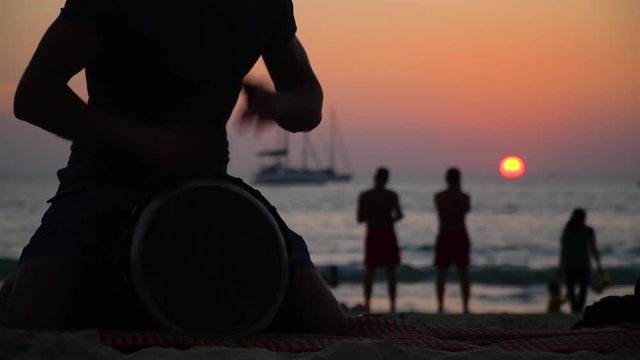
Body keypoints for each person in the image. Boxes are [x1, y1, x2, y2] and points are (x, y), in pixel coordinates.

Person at [0, 0, 346, 333]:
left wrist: (278, 103)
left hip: (208, 189)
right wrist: (147, 142)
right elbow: (34, 95)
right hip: (104, 182)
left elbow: (308, 99)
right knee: (31, 320)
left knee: (326, 322)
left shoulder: (263, 4)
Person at [357, 167, 403, 313]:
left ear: (374, 177)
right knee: (391, 271)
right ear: (387, 179)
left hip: (373, 234)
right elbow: (400, 215)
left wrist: (373, 216)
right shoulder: (392, 195)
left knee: (370, 270)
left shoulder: (365, 195)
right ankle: (392, 306)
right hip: (388, 234)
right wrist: (388, 219)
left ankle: (368, 304)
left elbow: (360, 218)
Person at [433, 167, 471, 314]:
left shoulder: (439, 196)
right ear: (459, 179)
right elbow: (466, 210)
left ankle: (440, 306)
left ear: (446, 179)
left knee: (441, 272)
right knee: (463, 272)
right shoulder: (464, 197)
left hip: (444, 235)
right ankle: (465, 307)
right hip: (460, 235)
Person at [556, 208, 603, 313]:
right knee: (580, 290)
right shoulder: (586, 231)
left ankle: (575, 310)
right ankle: (577, 310)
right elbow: (593, 249)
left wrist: (560, 266)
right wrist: (599, 266)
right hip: (581, 264)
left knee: (573, 290)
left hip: (574, 265)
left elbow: (564, 251)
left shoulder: (569, 231)